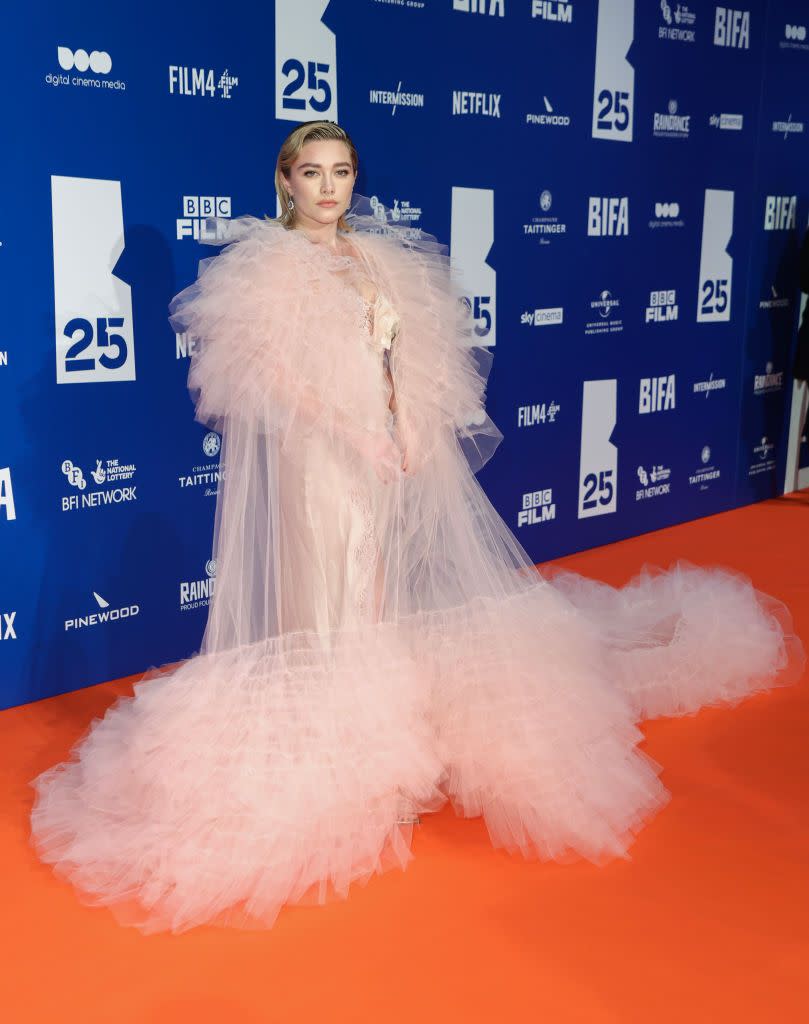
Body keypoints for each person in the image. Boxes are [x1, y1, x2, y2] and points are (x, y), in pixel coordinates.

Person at [29, 121, 804, 935]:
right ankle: (332, 770)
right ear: (284, 181)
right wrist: (352, 430)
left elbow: (400, 355)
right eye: (312, 173)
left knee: (377, 593)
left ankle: (382, 761)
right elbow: (269, 380)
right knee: (327, 600)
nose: (329, 188)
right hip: (317, 462)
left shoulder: (376, 257)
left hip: (384, 454)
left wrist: (403, 424)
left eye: (342, 172)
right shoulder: (264, 266)